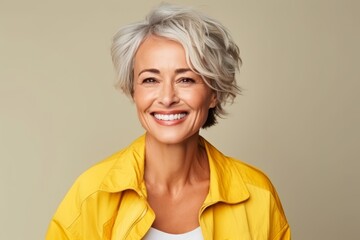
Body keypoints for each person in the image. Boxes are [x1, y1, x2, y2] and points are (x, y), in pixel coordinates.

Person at [46, 3, 291, 239]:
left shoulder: (257, 195)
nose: (167, 98)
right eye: (150, 80)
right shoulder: (92, 194)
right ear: (134, 91)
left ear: (214, 93)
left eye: (186, 80)